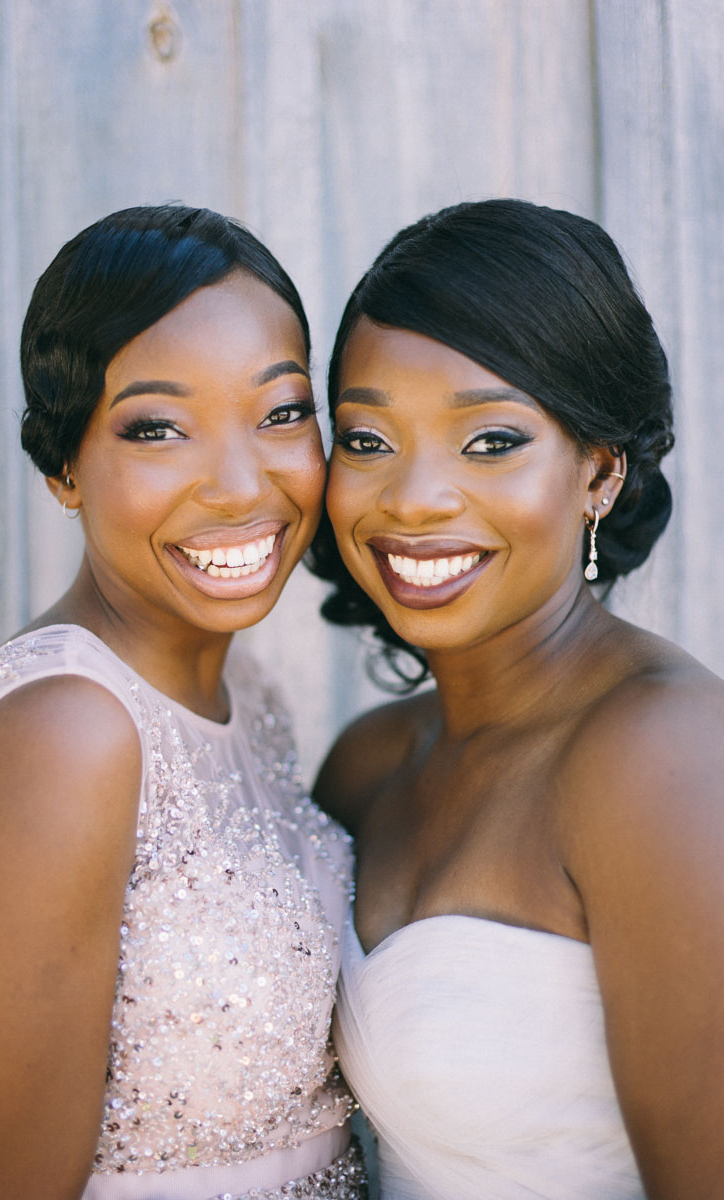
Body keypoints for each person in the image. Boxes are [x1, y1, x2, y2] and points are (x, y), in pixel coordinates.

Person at [0, 205, 367, 1200]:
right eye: (158, 428)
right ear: (63, 466)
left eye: (281, 412)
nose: (238, 483)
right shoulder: (65, 735)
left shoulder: (247, 694)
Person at [309, 198, 724, 1199]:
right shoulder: (365, 766)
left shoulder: (659, 756)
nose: (411, 499)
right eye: (366, 441)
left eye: (488, 441)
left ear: (598, 471)